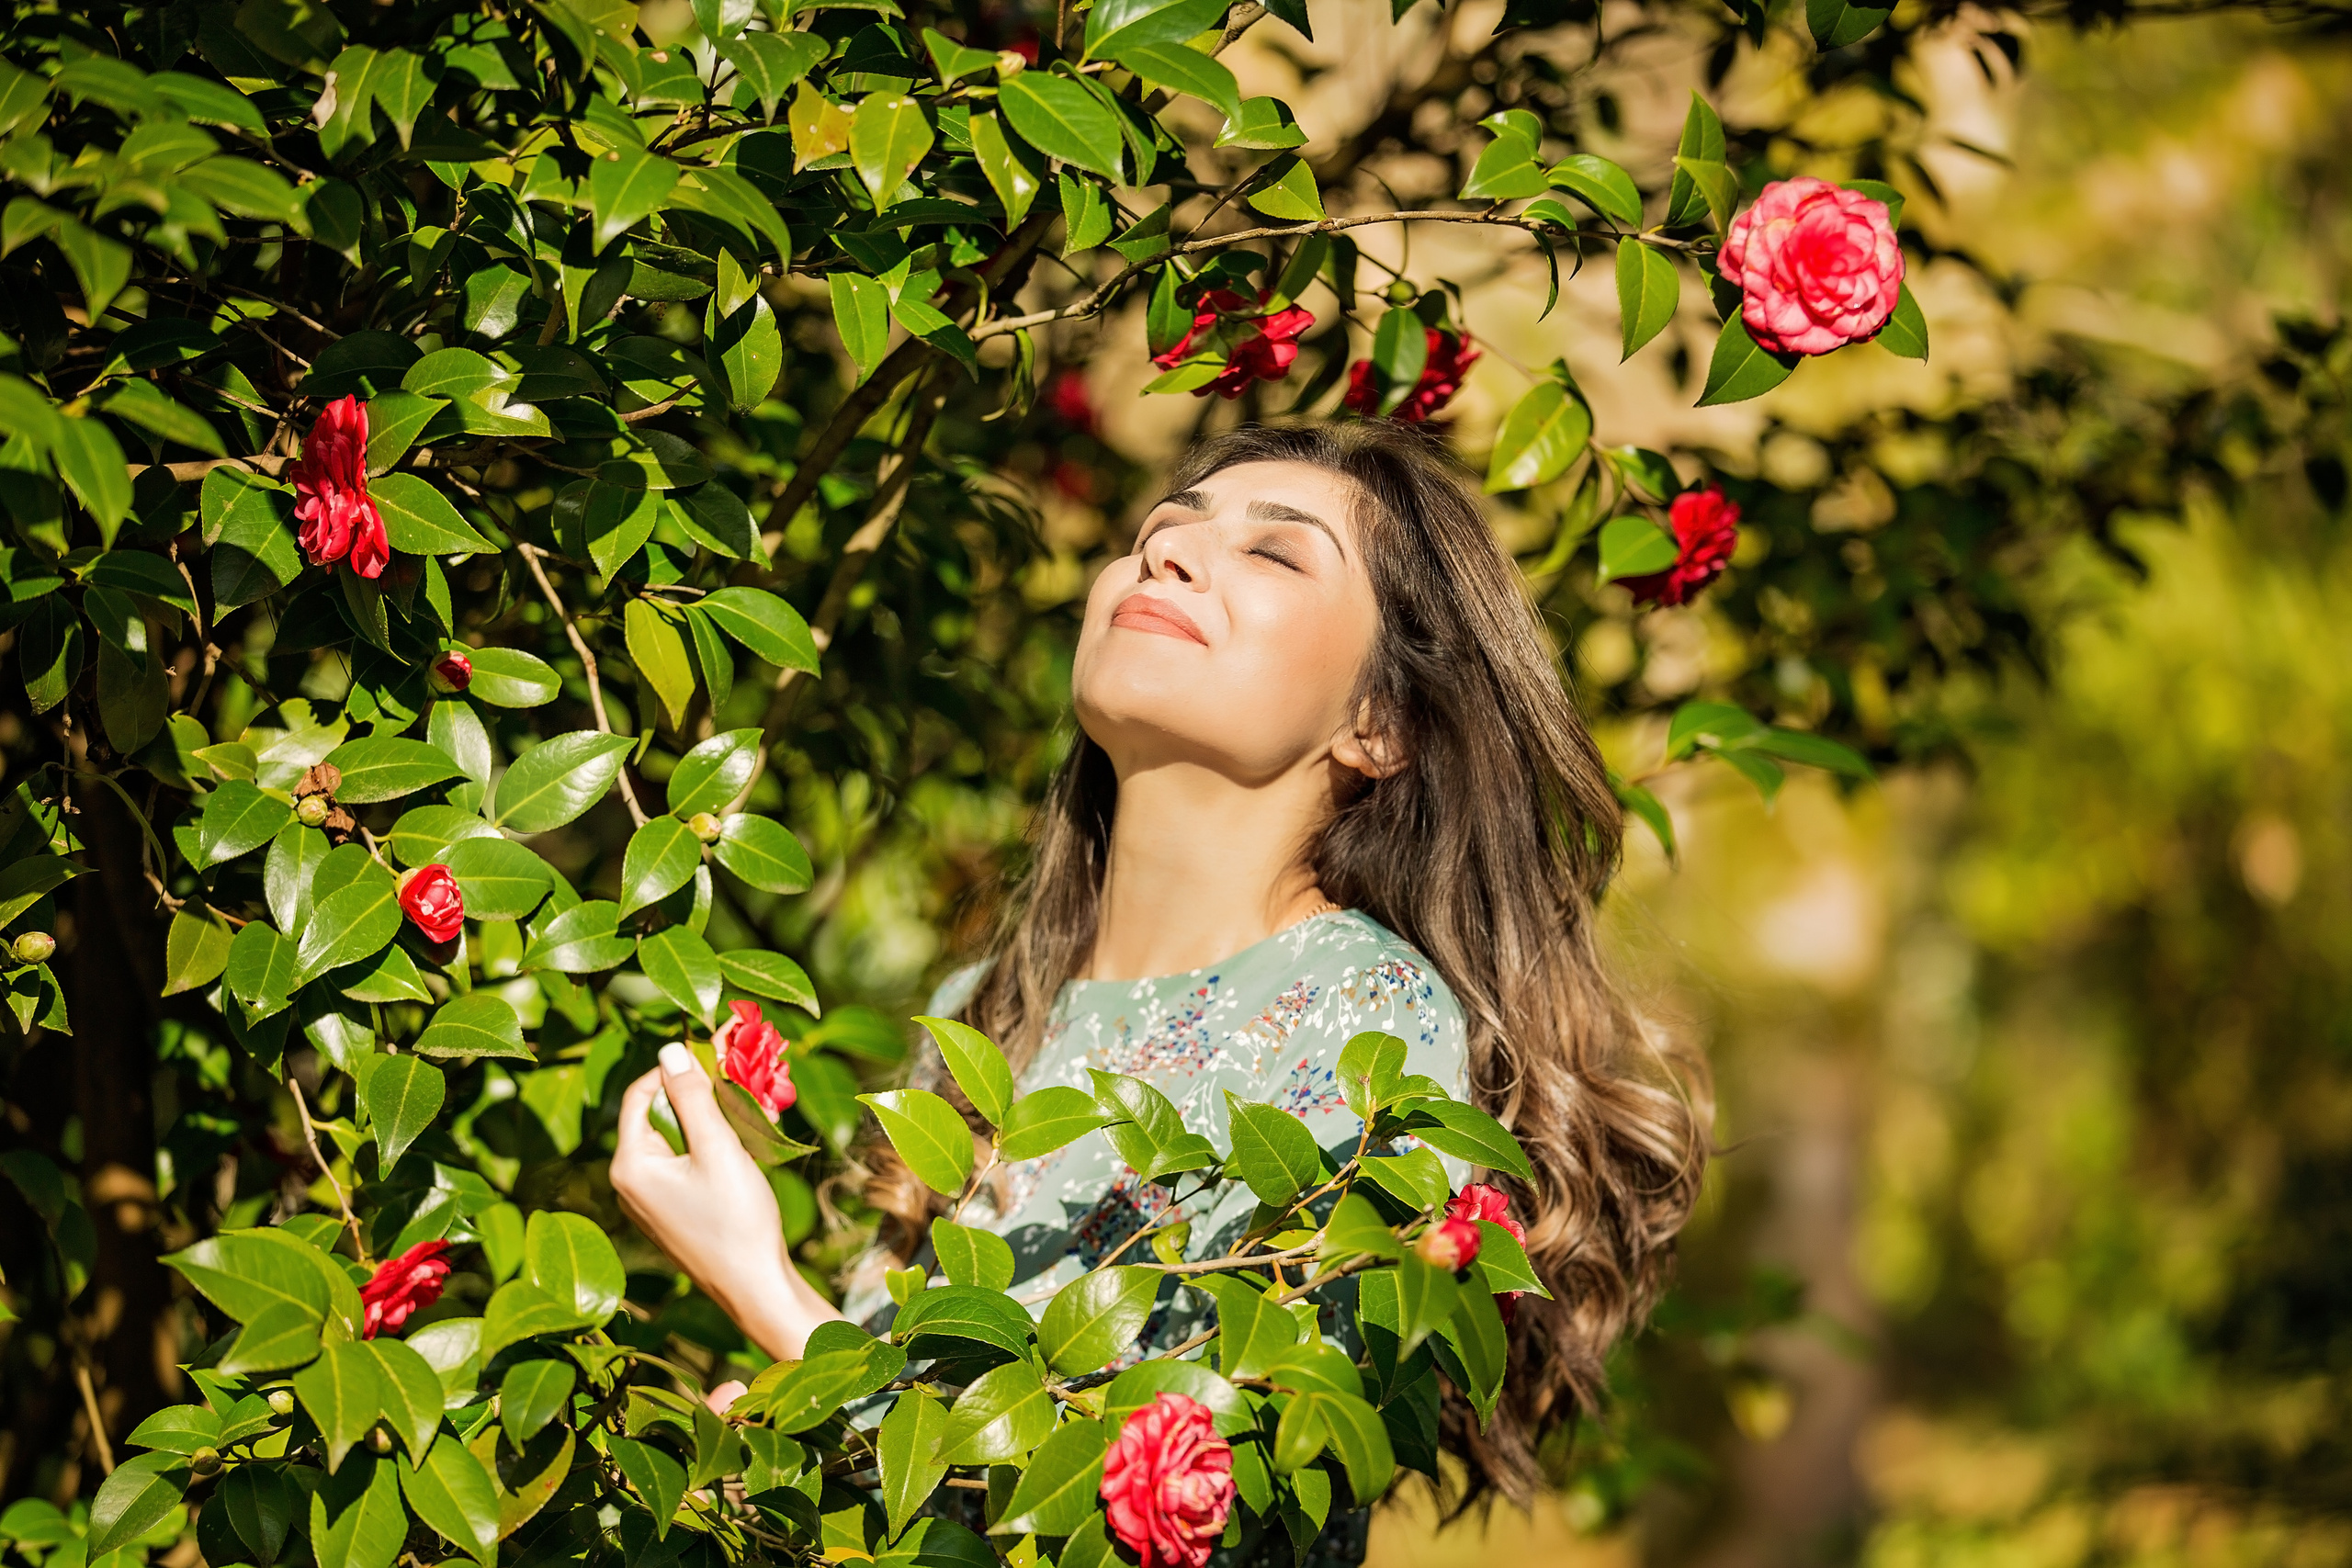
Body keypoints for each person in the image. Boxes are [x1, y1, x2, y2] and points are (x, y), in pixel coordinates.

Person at [610, 421, 1712, 1548]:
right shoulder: (983, 1007)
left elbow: (1163, 1529)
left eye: (1273, 552)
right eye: (1160, 529)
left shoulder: (1367, 1020)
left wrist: (765, 1290)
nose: (1166, 554)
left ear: (1378, 723)